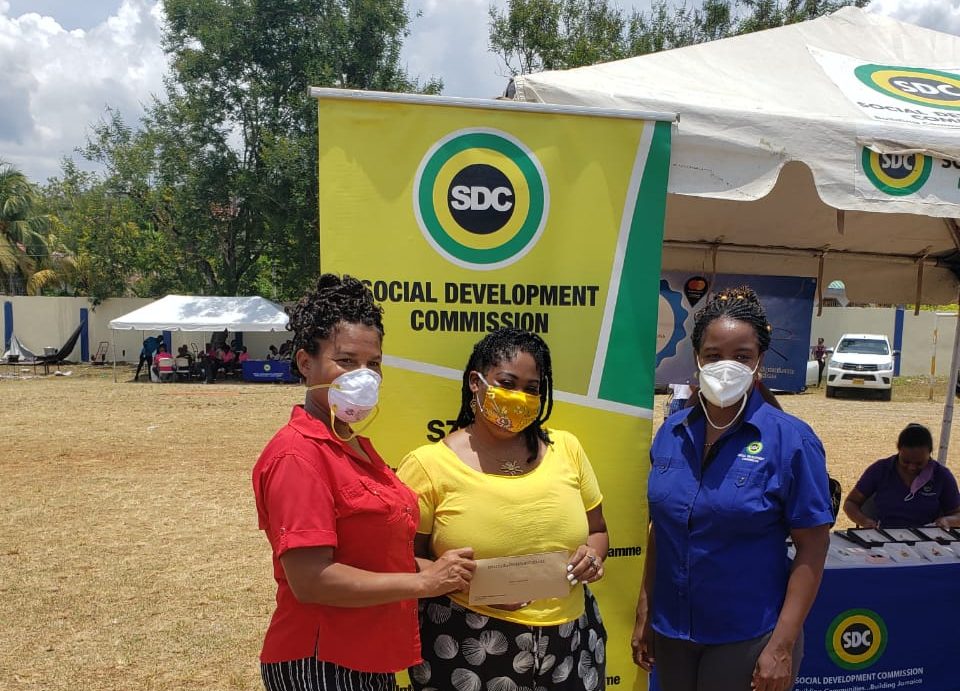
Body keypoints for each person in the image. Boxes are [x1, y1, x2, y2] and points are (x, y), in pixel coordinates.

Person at [251, 273, 475, 691]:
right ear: (306, 363)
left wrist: (458, 576)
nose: (364, 376)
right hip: (322, 662)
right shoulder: (298, 455)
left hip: (368, 657)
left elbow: (377, 557)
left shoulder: (352, 446)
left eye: (374, 364)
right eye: (347, 361)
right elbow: (311, 579)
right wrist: (423, 582)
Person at [633, 286, 832, 691]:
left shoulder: (791, 440)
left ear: (759, 362)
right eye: (713, 355)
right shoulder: (671, 433)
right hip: (673, 633)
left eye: (742, 356)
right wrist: (646, 608)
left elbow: (812, 547)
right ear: (696, 359)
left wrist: (782, 645)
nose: (727, 367)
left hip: (748, 636)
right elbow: (663, 530)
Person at [397, 328, 609, 691]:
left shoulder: (568, 449)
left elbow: (598, 529)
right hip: (467, 639)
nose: (519, 397)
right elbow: (401, 560)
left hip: (570, 639)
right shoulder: (427, 465)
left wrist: (592, 555)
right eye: (507, 383)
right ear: (475, 383)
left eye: (532, 388)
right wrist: (474, 582)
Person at [843, 423, 960, 529]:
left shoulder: (941, 475)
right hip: (883, 538)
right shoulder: (881, 469)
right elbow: (851, 503)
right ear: (898, 449)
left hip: (926, 542)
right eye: (905, 461)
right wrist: (865, 521)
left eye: (919, 463)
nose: (911, 468)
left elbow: (957, 514)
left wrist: (948, 521)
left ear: (930, 453)